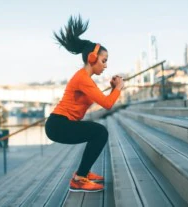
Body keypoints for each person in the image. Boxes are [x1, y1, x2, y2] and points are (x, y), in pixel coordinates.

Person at [45, 15, 124, 193]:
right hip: (58, 125)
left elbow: (104, 100)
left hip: (61, 123)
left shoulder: (85, 79)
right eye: (104, 61)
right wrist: (118, 88)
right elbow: (107, 104)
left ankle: (83, 173)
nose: (105, 66)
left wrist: (113, 89)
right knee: (100, 132)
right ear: (92, 58)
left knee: (96, 133)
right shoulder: (83, 78)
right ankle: (79, 179)